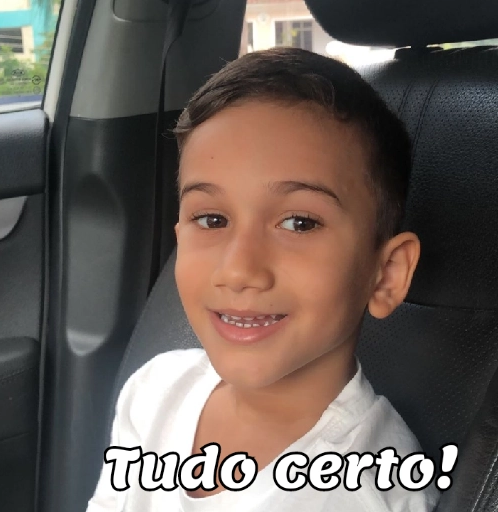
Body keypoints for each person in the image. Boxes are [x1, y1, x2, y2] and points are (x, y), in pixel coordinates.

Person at [86, 47, 440, 511]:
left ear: (386, 274)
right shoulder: (155, 390)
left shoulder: (375, 491)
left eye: (299, 223)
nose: (238, 269)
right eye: (211, 219)